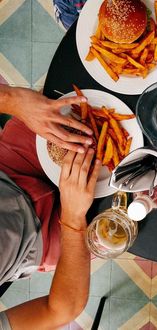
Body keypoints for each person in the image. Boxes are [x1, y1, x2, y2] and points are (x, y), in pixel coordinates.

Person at [0, 85, 93, 282]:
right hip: (39, 244)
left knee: (72, 96)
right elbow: (61, 308)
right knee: (135, 209)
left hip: (8, 168)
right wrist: (72, 219)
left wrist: (12, 100)